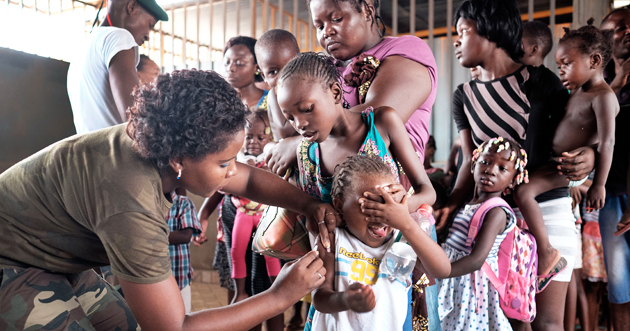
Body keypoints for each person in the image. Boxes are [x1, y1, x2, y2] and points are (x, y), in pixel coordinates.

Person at [0, 69, 333, 331]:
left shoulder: (156, 144)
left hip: (57, 254)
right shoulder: (131, 200)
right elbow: (174, 327)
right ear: (178, 160)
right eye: (222, 163)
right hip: (12, 259)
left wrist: (307, 204)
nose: (233, 172)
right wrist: (280, 296)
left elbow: (245, 178)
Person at [440, 0, 596, 329]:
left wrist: (591, 156)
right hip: (492, 221)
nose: (456, 41)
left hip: (547, 212)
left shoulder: (542, 83)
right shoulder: (463, 95)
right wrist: (453, 202)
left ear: (492, 31)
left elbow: (575, 141)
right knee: (502, 320)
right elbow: (471, 160)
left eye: (464, 32)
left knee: (545, 323)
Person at [276, 52, 437, 329]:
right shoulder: (306, 154)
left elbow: (427, 192)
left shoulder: (382, 122)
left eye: (307, 109)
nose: (299, 124)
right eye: (289, 117)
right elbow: (315, 226)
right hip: (344, 275)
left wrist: (393, 213)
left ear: (336, 92)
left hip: (395, 261)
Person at [513, 21, 618, 291]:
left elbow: (607, 141)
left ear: (594, 60)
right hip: (553, 162)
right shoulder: (578, 91)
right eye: (559, 65)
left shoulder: (603, 97)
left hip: (564, 167)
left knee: (524, 193)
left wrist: (599, 184)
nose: (561, 70)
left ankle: (548, 253)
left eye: (567, 64)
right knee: (522, 190)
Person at [307, 155, 450, 330]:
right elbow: (319, 299)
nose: (381, 215)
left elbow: (443, 270)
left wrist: (405, 222)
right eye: (369, 205)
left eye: (389, 205)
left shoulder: (402, 240)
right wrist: (345, 299)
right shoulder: (333, 239)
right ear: (339, 205)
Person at [438, 138, 528, 331]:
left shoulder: (496, 212)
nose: (491, 170)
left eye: (502, 169)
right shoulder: (468, 203)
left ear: (513, 179)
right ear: (473, 164)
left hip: (469, 284)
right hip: (452, 276)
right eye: (485, 162)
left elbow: (477, 259)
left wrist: (438, 272)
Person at [67, 0, 167, 134]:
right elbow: (135, 119)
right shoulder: (119, 37)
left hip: (89, 151)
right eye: (149, 25)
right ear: (131, 7)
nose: (148, 35)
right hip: (114, 153)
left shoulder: (83, 49)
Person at [598, 8, 630, 330]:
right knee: (619, 285)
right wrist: (618, 82)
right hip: (610, 196)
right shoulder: (597, 83)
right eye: (620, 27)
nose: (628, 30)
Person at [230, 111, 281, 305]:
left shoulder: (270, 157)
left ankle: (276, 290)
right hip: (243, 213)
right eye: (249, 137)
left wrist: (259, 170)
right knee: (236, 251)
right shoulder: (237, 158)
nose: (253, 142)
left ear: (270, 137)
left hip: (265, 215)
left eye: (261, 137)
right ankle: (240, 292)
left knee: (270, 253)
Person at [255, 29, 300, 141]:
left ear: (301, 61)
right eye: (273, 72)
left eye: (290, 66)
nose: (284, 76)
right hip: (286, 154)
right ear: (263, 76)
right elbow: (285, 130)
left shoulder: (305, 89)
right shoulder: (274, 95)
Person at [166, 188, 202, 314]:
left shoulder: (184, 203)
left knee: (183, 316)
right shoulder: (148, 204)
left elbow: (185, 236)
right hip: (155, 279)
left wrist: (150, 236)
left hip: (180, 277)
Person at [224, 36, 268, 111]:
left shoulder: (271, 101)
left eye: (239, 63)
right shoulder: (219, 101)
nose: (230, 68)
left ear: (257, 67)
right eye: (227, 62)